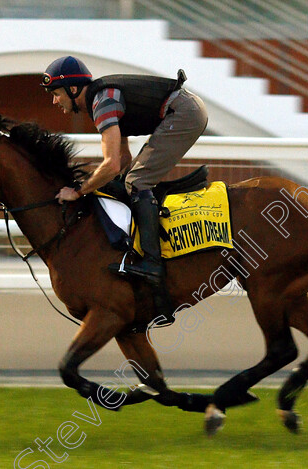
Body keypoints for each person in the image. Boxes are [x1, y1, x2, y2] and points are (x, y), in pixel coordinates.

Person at [42, 55, 209, 327]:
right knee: (131, 179)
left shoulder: (102, 102)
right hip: (184, 108)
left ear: (73, 90)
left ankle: (153, 265)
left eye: (56, 93)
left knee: (138, 182)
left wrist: (79, 191)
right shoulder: (104, 98)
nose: (54, 100)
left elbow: (110, 163)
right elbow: (124, 160)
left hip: (185, 112)